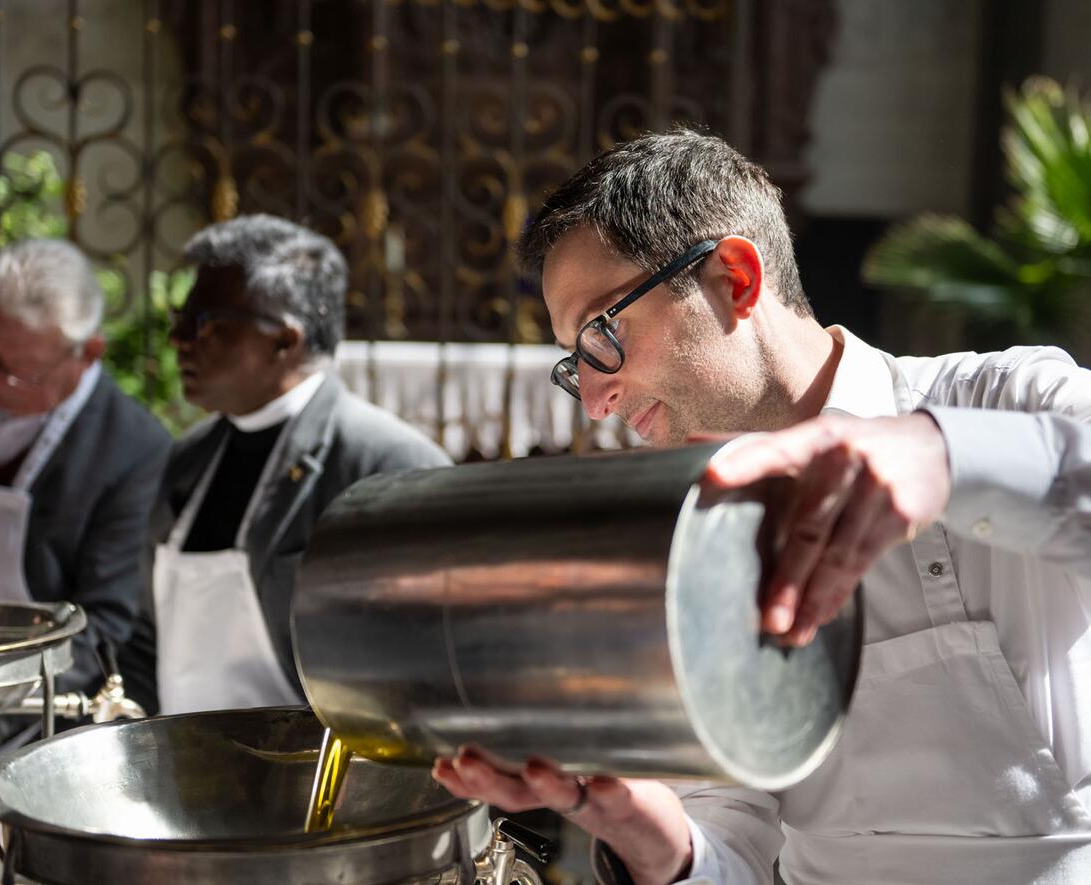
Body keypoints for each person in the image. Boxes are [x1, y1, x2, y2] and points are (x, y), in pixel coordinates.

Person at [432, 129, 1091, 885]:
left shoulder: (998, 399)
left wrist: (944, 456)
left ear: (735, 279)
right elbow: (730, 848)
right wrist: (657, 840)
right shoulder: (690, 530)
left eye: (603, 331)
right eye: (572, 357)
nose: (593, 395)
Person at [120, 215, 450, 716]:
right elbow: (149, 636)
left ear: (285, 340)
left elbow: (425, 666)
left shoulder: (388, 466)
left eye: (206, 323)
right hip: (183, 775)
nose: (178, 340)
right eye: (179, 319)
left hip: (319, 784)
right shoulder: (190, 459)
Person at [0, 238, 171, 807]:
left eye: (19, 372)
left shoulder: (131, 448)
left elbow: (102, 623)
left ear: (89, 352)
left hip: (15, 736)